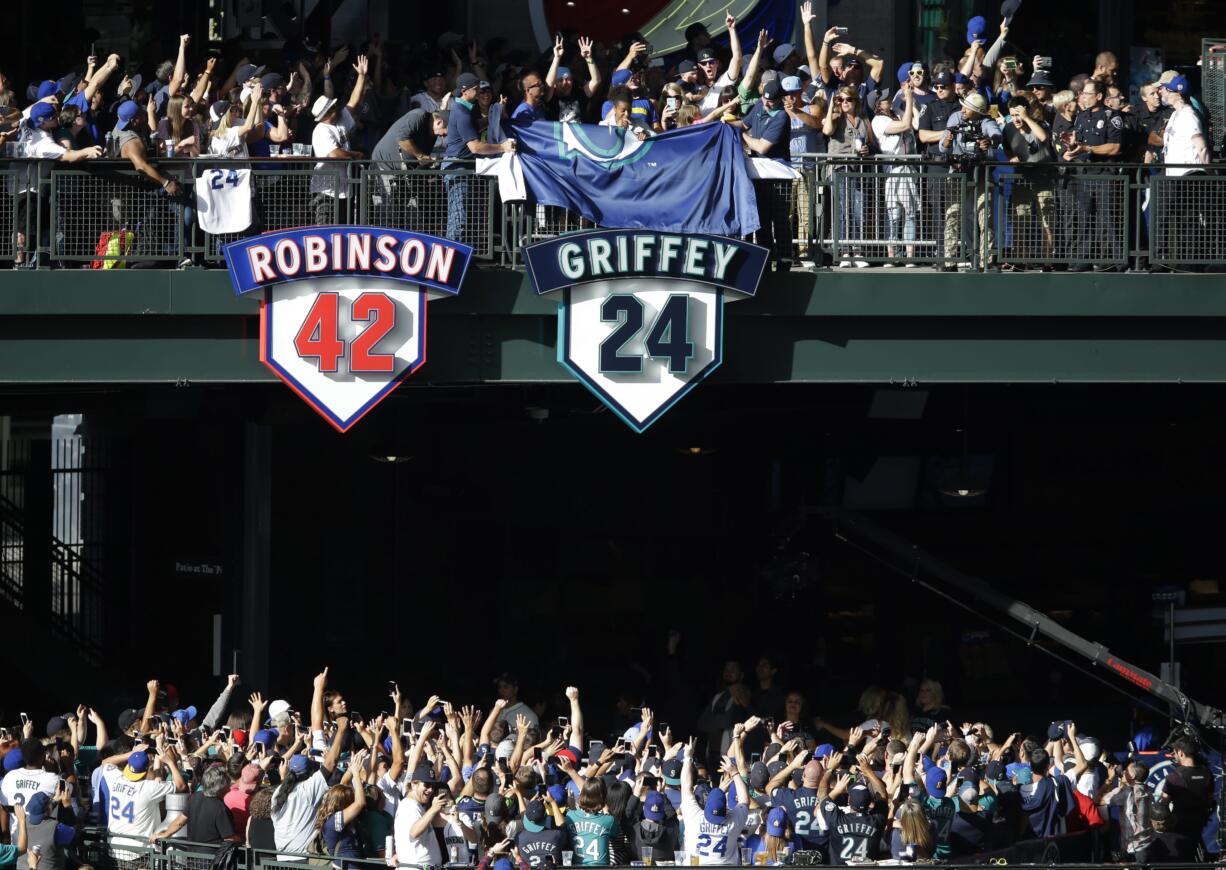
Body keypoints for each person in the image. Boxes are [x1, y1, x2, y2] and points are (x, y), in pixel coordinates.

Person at [271, 670, 347, 859]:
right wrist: (342, 729)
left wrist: (318, 688)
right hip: (303, 861)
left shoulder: (278, 793)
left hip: (281, 861)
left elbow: (316, 724)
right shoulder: (307, 789)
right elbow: (330, 761)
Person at [443, 73, 515, 245]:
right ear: (464, 91)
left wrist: (497, 112)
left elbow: (475, 127)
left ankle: (466, 259)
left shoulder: (464, 110)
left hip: (465, 169)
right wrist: (502, 147)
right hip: (458, 169)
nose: (478, 92)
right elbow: (475, 146)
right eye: (475, 89)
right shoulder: (462, 112)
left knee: (469, 220)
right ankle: (452, 261)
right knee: (459, 219)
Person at [939, 92, 1001, 270]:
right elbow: (942, 149)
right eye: (964, 106)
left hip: (981, 174)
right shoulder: (955, 118)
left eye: (967, 107)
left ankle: (986, 261)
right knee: (952, 216)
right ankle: (949, 261)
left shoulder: (987, 121)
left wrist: (988, 141)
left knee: (985, 217)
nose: (963, 109)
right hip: (958, 174)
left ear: (977, 111)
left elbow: (996, 135)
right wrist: (947, 143)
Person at [309, 55, 368, 226]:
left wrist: (362, 76)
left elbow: (354, 102)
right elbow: (334, 154)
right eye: (333, 108)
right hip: (325, 191)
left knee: (343, 232)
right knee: (326, 233)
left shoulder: (340, 119)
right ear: (327, 113)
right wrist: (355, 154)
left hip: (343, 190)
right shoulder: (321, 130)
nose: (337, 108)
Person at [742, 78, 795, 271]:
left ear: (780, 99)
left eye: (771, 101)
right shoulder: (758, 105)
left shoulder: (781, 116)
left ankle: (784, 261)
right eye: (765, 99)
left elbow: (762, 147)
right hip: (759, 174)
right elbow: (742, 124)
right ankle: (764, 260)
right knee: (762, 220)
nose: (766, 103)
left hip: (778, 174)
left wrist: (742, 136)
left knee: (780, 219)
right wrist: (726, 124)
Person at [823, 84, 873, 268]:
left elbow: (872, 141)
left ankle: (858, 252)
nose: (845, 102)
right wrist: (831, 106)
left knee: (859, 211)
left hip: (858, 169)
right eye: (841, 99)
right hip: (839, 168)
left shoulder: (863, 119)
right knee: (844, 210)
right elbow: (827, 131)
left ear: (855, 101)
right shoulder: (836, 117)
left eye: (848, 99)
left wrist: (868, 150)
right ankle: (844, 252)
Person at [871, 82, 919, 265]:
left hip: (908, 167)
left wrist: (911, 101)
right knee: (894, 213)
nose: (889, 100)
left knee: (910, 212)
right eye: (884, 99)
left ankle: (909, 256)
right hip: (893, 168)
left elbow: (914, 124)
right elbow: (906, 124)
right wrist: (908, 99)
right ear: (877, 105)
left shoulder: (897, 112)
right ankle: (892, 256)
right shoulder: (878, 120)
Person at [680, 740, 748, 866]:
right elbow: (744, 800)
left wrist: (688, 757)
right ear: (726, 809)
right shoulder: (733, 821)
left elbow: (685, 786)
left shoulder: (694, 817)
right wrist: (735, 773)